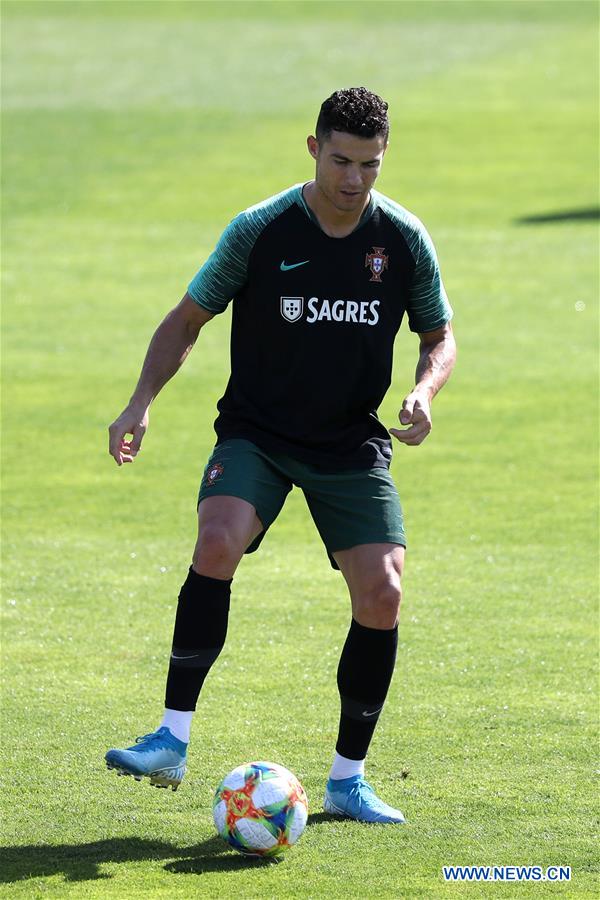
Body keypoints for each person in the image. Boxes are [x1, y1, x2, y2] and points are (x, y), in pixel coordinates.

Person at [105, 87, 456, 824]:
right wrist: (140, 403)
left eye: (370, 164)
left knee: (384, 592)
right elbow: (187, 319)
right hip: (258, 432)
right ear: (313, 148)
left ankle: (348, 781)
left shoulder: (401, 238)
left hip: (349, 440)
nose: (354, 179)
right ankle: (170, 738)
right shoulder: (260, 229)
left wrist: (425, 390)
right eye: (341, 160)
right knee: (216, 540)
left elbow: (439, 335)